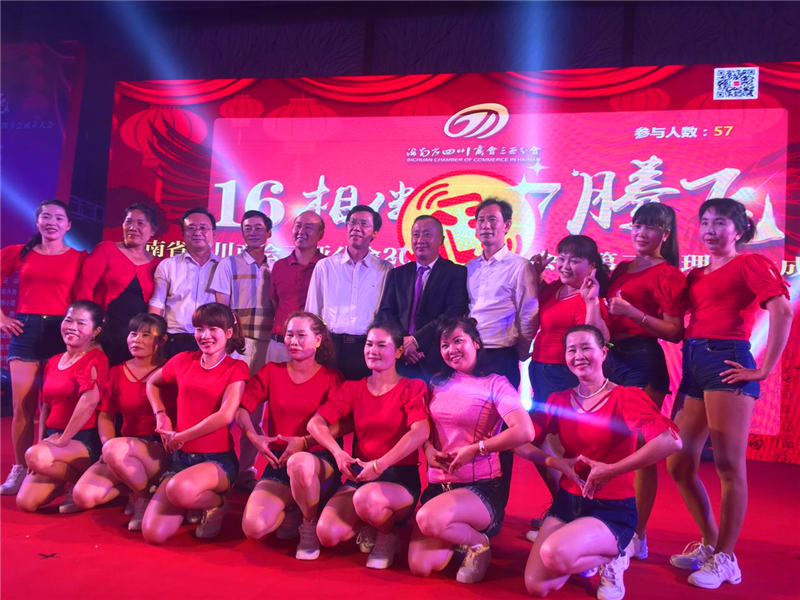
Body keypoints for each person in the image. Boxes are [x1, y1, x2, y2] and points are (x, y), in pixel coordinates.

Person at [666, 198, 791, 589]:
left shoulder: (750, 263)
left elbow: (782, 310)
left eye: (720, 222)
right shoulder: (696, 275)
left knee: (728, 465)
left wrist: (764, 369)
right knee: (678, 462)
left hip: (727, 361)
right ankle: (710, 541)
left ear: (739, 230)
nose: (710, 230)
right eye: (705, 222)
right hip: (694, 363)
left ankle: (726, 557)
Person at [520, 325, 682, 600]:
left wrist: (612, 470)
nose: (578, 356)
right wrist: (555, 462)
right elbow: (520, 442)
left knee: (553, 552)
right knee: (537, 585)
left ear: (604, 352)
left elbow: (671, 441)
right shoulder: (559, 400)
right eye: (572, 350)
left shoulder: (626, 397)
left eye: (586, 348)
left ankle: (614, 556)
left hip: (611, 509)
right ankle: (583, 550)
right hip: (567, 503)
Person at [408, 316, 535, 584]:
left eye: (458, 341)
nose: (452, 349)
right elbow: (425, 429)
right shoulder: (438, 382)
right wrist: (428, 449)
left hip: (479, 487)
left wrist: (477, 449)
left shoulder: (496, 383)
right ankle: (456, 532)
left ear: (476, 343)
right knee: (421, 566)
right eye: (445, 345)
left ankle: (479, 543)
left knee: (428, 519)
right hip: (439, 486)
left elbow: (525, 431)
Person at [307, 321, 429, 569]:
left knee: (367, 498)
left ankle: (387, 533)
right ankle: (369, 521)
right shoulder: (353, 388)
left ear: (398, 352)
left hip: (398, 479)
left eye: (381, 345)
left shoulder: (412, 387)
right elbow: (315, 424)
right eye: (369, 344)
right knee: (327, 534)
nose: (373, 350)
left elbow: (421, 431)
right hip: (360, 476)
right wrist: (338, 453)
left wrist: (379, 465)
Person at [604, 203, 687, 559]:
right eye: (637, 226)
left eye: (650, 227)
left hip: (642, 360)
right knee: (608, 444)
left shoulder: (668, 274)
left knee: (640, 449)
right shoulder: (623, 268)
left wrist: (633, 314)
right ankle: (607, 522)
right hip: (611, 359)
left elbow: (675, 331)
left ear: (664, 234)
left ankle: (637, 534)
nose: (640, 233)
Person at [236, 312, 342, 560]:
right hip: (279, 462)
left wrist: (305, 442)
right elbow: (242, 409)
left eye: (301, 335)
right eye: (289, 335)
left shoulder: (331, 377)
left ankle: (309, 524)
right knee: (253, 528)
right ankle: (294, 506)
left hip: (317, 462)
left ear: (318, 340)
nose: (293, 341)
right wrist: (254, 437)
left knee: (300, 463)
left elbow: (341, 425)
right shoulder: (272, 371)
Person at [141, 303, 250, 543]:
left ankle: (216, 503)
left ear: (228, 333)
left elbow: (225, 416)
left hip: (216, 460)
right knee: (153, 533)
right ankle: (191, 501)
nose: (205, 335)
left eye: (213, 329)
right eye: (200, 329)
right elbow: (152, 383)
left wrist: (182, 436)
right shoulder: (183, 360)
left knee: (178, 490)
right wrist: (161, 414)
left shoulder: (236, 368)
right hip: (181, 459)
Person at [0, 200, 87, 496]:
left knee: (53, 405)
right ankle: (19, 467)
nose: (52, 222)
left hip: (61, 332)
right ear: (37, 222)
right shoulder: (19, 253)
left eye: (59, 218)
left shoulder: (78, 258)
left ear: (68, 225)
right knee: (23, 406)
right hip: (25, 330)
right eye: (46, 216)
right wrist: (2, 317)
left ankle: (46, 465)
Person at [71, 313, 170, 531]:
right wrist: (108, 446)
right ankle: (137, 489)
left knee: (115, 451)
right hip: (122, 448)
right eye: (133, 334)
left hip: (157, 450)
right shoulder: (117, 372)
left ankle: (143, 497)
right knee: (83, 496)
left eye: (146, 335)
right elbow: (106, 415)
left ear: (161, 341)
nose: (137, 340)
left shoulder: (170, 373)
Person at [15, 301, 109, 513]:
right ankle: (64, 479)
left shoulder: (96, 359)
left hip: (81, 441)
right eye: (68, 320)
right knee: (26, 502)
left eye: (81, 323)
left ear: (95, 331)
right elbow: (46, 405)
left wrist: (63, 440)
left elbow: (89, 402)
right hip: (53, 439)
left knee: (35, 456)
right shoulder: (53, 361)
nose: (72, 327)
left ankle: (81, 481)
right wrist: (41, 441)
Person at [210, 209, 275, 488]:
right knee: (226, 406)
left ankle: (246, 469)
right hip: (239, 345)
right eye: (248, 228)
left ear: (269, 233)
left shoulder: (278, 266)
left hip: (269, 345)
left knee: (255, 410)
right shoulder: (228, 264)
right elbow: (221, 309)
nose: (253, 232)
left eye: (259, 228)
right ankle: (216, 464)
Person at [377, 214, 469, 381]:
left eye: (427, 234)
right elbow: (386, 313)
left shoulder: (456, 273)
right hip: (400, 358)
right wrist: (403, 344)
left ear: (441, 240)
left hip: (435, 359)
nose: (420, 240)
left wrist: (416, 340)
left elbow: (452, 314)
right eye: (416, 234)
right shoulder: (397, 274)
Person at [305, 205, 392, 380]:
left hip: (366, 347)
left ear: (375, 233)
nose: (356, 228)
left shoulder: (385, 269)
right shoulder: (326, 266)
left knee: (361, 395)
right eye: (352, 222)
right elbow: (312, 312)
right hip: (330, 346)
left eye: (364, 224)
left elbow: (387, 313)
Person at [74, 203, 161, 365]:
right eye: (128, 222)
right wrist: (88, 327)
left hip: (135, 339)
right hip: (102, 332)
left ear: (153, 230)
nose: (133, 228)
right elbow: (84, 288)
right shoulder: (106, 249)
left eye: (140, 223)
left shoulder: (157, 264)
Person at [148, 207, 220, 358]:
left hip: (211, 341)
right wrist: (153, 338)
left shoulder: (224, 267)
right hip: (174, 340)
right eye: (191, 228)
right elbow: (157, 304)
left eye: (203, 228)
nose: (197, 232)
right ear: (183, 234)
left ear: (214, 234)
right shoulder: (168, 265)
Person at [268, 211, 325, 364]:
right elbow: (275, 303)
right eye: (298, 226)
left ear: (320, 234)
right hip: (279, 345)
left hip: (313, 348)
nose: (301, 231)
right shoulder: (279, 266)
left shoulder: (327, 267)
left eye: (309, 227)